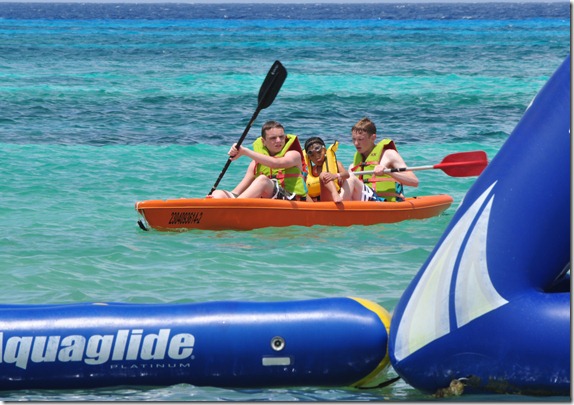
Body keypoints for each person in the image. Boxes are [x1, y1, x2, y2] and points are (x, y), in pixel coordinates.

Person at [210, 120, 308, 200]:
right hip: (267, 201)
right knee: (218, 194)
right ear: (263, 141)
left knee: (262, 180)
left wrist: (245, 151)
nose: (278, 140)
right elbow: (237, 192)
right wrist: (222, 197)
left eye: (281, 137)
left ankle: (233, 208)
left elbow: (276, 164)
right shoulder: (255, 164)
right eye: (273, 138)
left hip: (291, 199)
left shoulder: (293, 155)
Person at [347, 117, 419, 202]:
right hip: (364, 201)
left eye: (360, 139)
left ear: (373, 138)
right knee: (347, 177)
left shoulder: (389, 155)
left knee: (351, 178)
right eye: (354, 139)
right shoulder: (353, 165)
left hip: (383, 202)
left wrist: (388, 172)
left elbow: (414, 182)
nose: (356, 143)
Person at [303, 136, 353, 203]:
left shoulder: (336, 164)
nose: (317, 157)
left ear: (324, 150)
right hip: (314, 203)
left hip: (330, 199)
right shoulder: (309, 172)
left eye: (319, 152)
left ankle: (335, 194)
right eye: (312, 155)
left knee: (323, 174)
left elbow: (347, 175)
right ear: (309, 158)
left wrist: (335, 176)